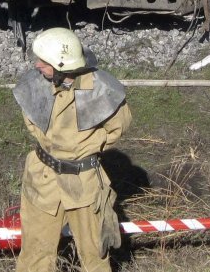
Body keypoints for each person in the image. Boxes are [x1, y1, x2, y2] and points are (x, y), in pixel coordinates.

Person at [13, 27, 132, 272]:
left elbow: (117, 127)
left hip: (84, 183)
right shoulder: (36, 83)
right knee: (34, 255)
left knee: (94, 255)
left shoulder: (101, 90)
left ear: (62, 65)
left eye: (43, 62)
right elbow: (31, 121)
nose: (37, 66)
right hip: (42, 178)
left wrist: (83, 147)